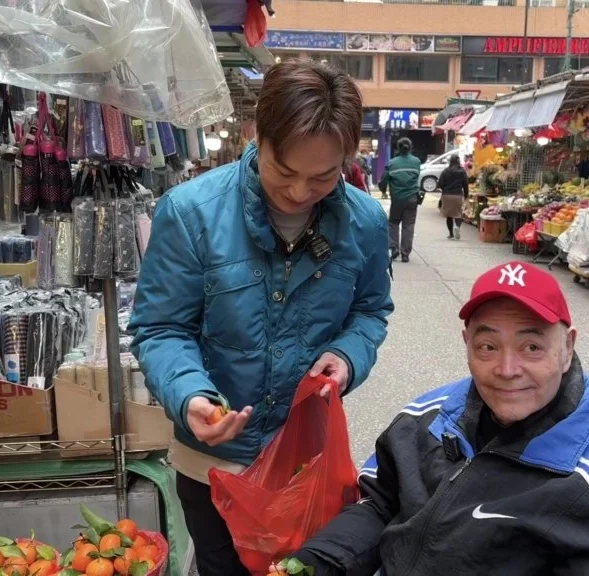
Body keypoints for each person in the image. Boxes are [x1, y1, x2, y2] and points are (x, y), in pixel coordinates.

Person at [129, 59, 394, 576]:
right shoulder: (191, 212)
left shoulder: (364, 221)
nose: (299, 192)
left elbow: (370, 310)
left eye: (323, 177)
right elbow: (161, 327)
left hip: (305, 464)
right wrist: (190, 396)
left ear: (347, 158)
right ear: (257, 135)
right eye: (285, 172)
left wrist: (346, 356)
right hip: (212, 467)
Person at [274, 261, 589, 575]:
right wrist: (315, 564)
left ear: (567, 347)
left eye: (532, 347)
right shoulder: (425, 418)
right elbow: (379, 504)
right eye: (488, 346)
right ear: (467, 344)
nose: (507, 370)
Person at [378, 138, 421, 263]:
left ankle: (394, 249)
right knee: (409, 225)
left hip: (397, 199)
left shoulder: (392, 163)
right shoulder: (416, 162)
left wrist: (383, 191)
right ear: (410, 147)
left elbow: (383, 180)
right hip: (412, 198)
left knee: (393, 223)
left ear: (398, 148)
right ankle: (405, 253)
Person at [437, 154, 469, 240]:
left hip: (447, 195)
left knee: (449, 215)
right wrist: (466, 195)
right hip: (458, 195)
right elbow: (465, 184)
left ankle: (451, 234)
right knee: (458, 213)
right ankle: (457, 226)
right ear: (458, 161)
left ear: (450, 161)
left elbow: (440, 184)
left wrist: (445, 189)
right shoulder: (462, 171)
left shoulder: (445, 171)